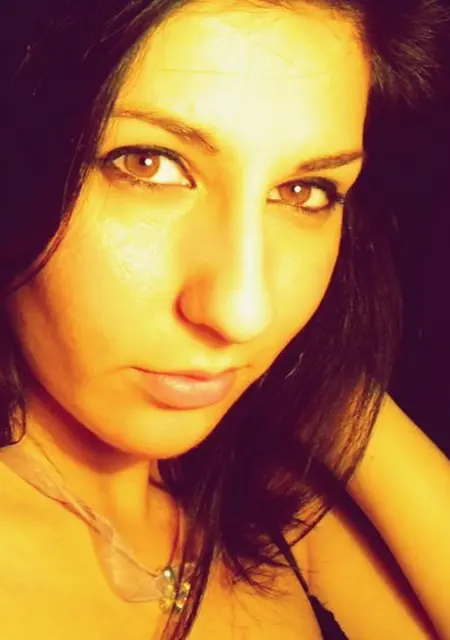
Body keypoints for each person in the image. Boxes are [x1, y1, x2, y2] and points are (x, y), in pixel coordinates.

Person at [0, 0, 449, 638]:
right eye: (147, 163)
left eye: (304, 191)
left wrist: (329, 389)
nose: (244, 311)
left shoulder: (282, 511)